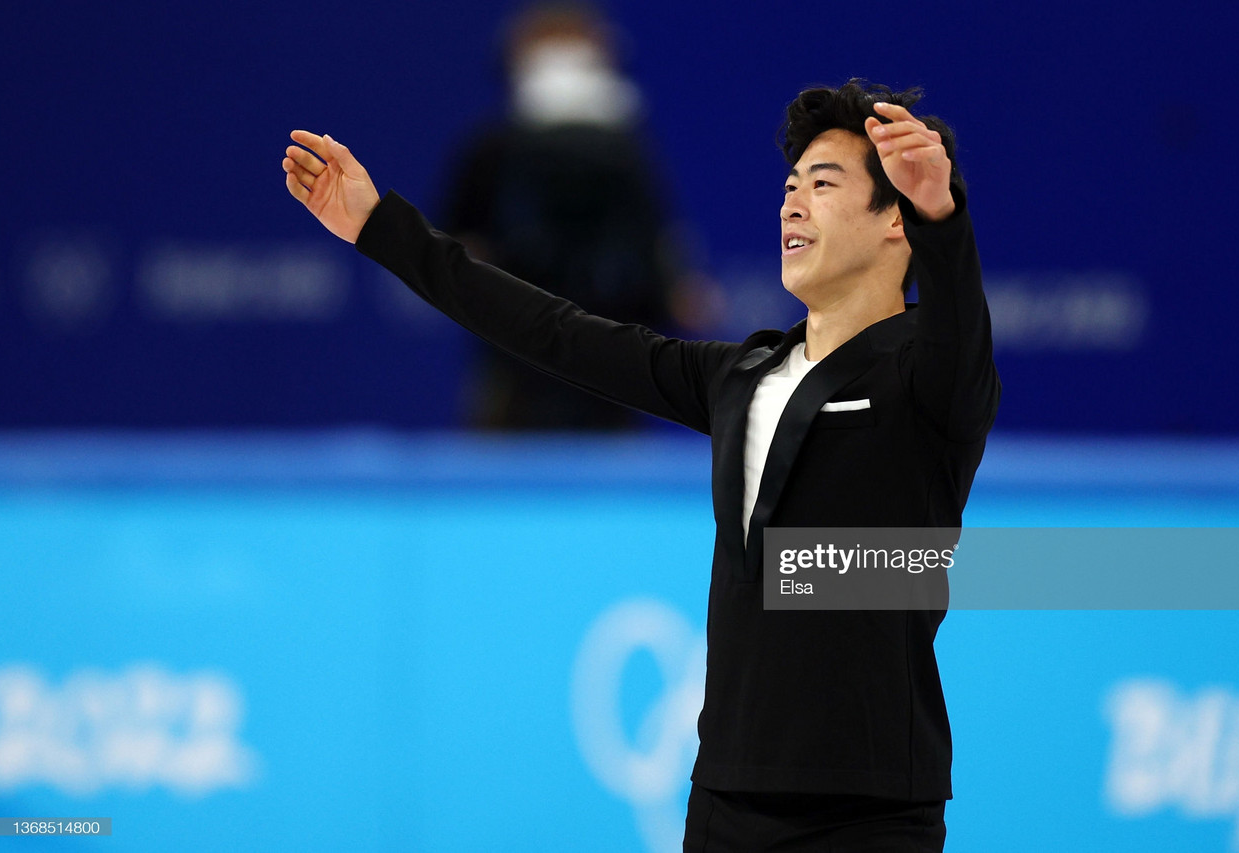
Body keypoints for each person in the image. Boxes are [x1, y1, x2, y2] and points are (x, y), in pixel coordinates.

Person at [282, 77, 999, 852]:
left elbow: (960, 332)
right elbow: (553, 331)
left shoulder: (928, 380)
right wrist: (382, 229)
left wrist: (942, 218)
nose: (791, 205)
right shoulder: (741, 376)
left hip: (871, 809)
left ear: (894, 219)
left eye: (822, 186)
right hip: (725, 799)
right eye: (790, 187)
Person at [440, 1, 693, 430]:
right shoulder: (493, 153)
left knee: (610, 474)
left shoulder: (626, 156)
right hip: (515, 358)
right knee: (502, 475)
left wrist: (671, 288)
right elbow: (454, 241)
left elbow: (652, 240)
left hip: (608, 356)